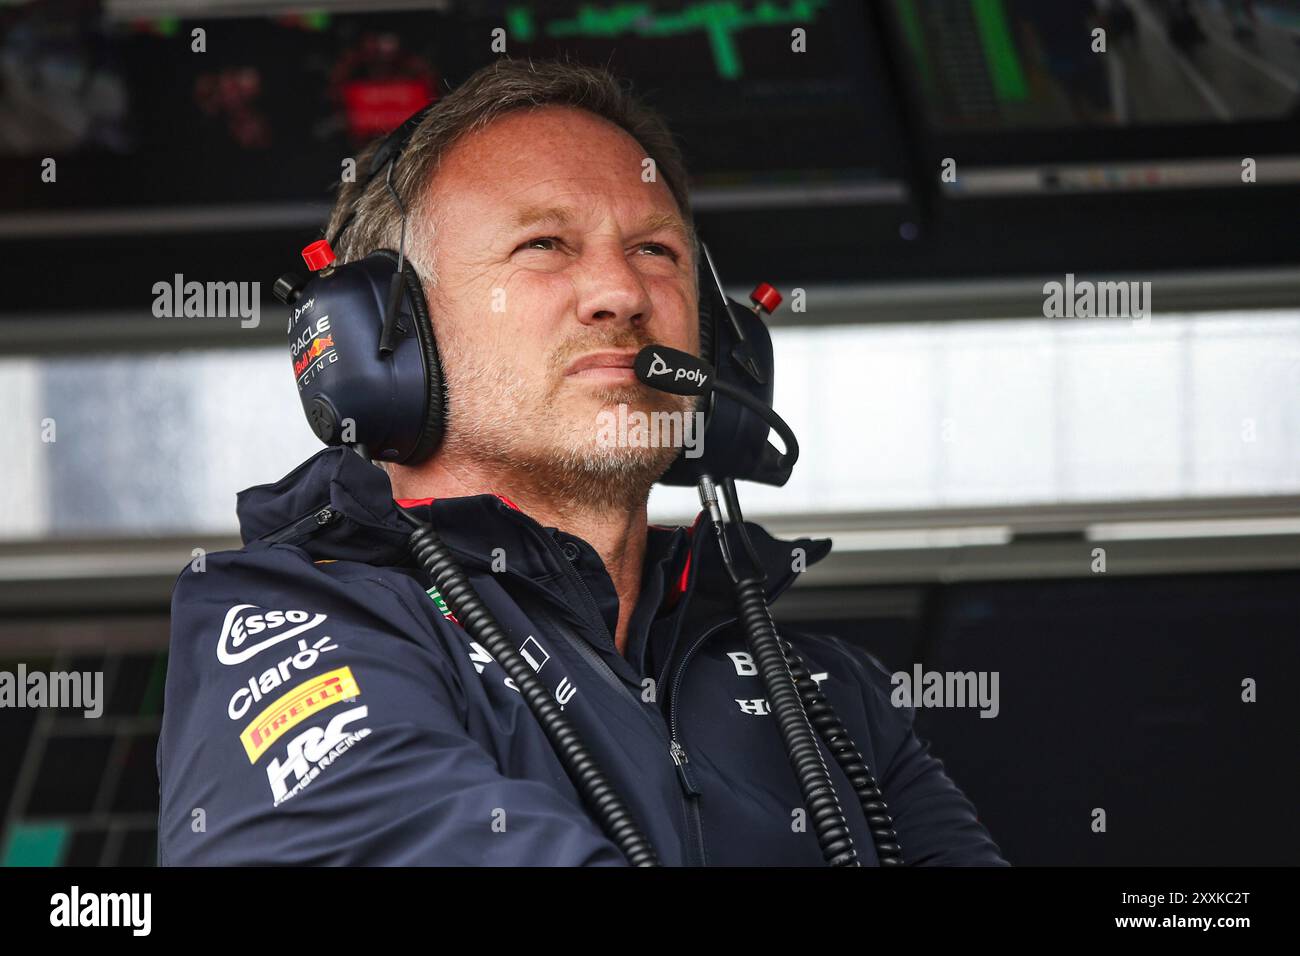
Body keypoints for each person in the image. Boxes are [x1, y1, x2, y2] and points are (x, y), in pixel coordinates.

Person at [157, 58, 1008, 866]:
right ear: (381, 339)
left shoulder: (828, 691)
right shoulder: (287, 622)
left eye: (656, 252)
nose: (623, 293)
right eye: (544, 245)